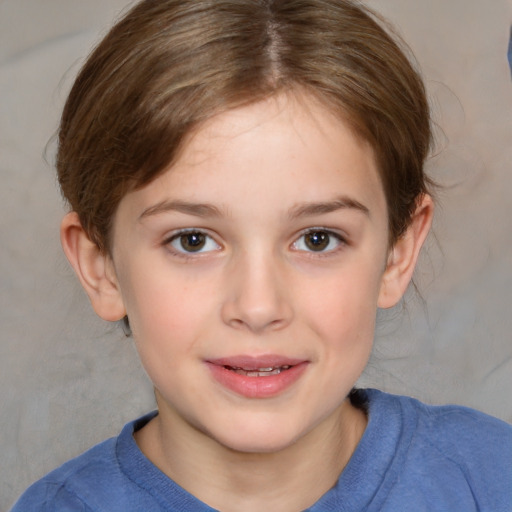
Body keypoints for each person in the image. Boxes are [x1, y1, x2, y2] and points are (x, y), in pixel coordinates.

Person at [10, 0, 512, 511]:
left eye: (317, 239)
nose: (258, 306)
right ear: (102, 269)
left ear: (397, 253)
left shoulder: (492, 478)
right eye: (192, 241)